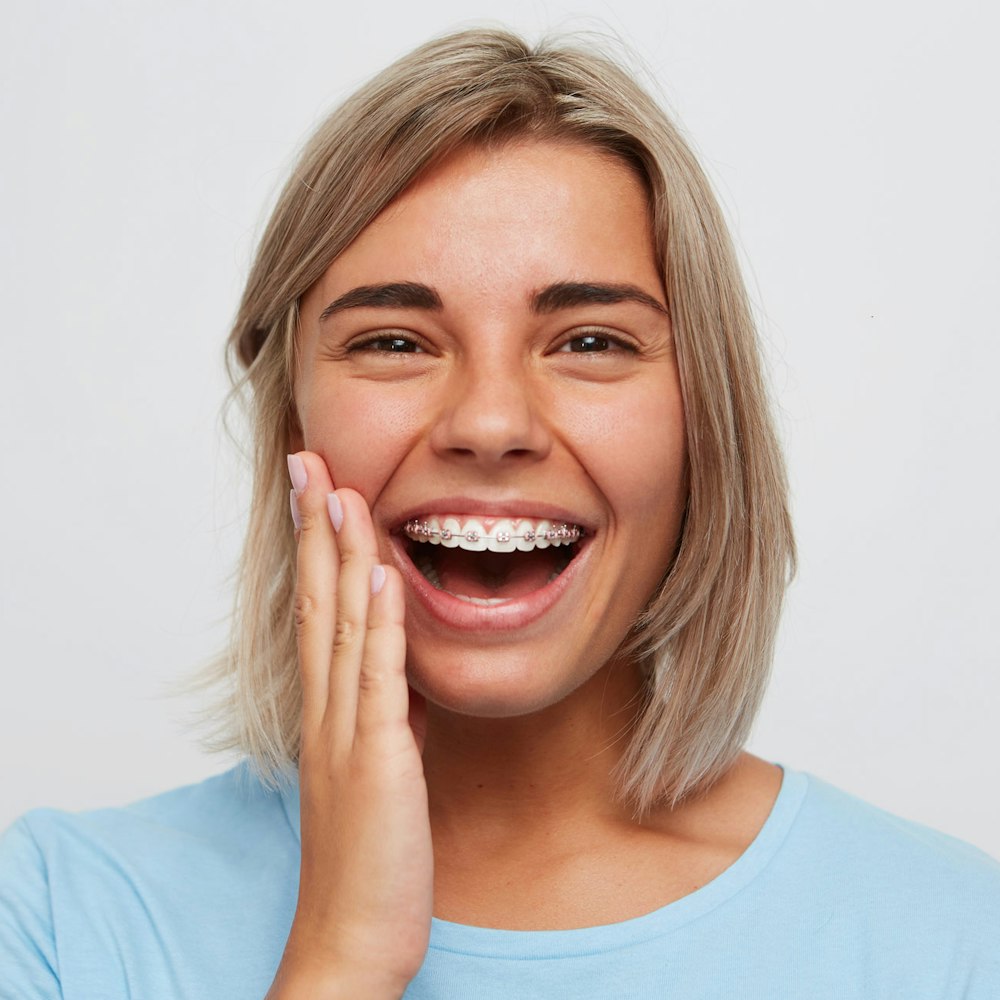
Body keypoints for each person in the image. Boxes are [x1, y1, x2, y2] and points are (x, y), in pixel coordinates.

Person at [1, 27, 998, 1000]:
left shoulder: (958, 943)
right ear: (290, 424)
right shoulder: (54, 917)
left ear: (706, 422)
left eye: (592, 341)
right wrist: (342, 960)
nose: (489, 423)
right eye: (394, 342)